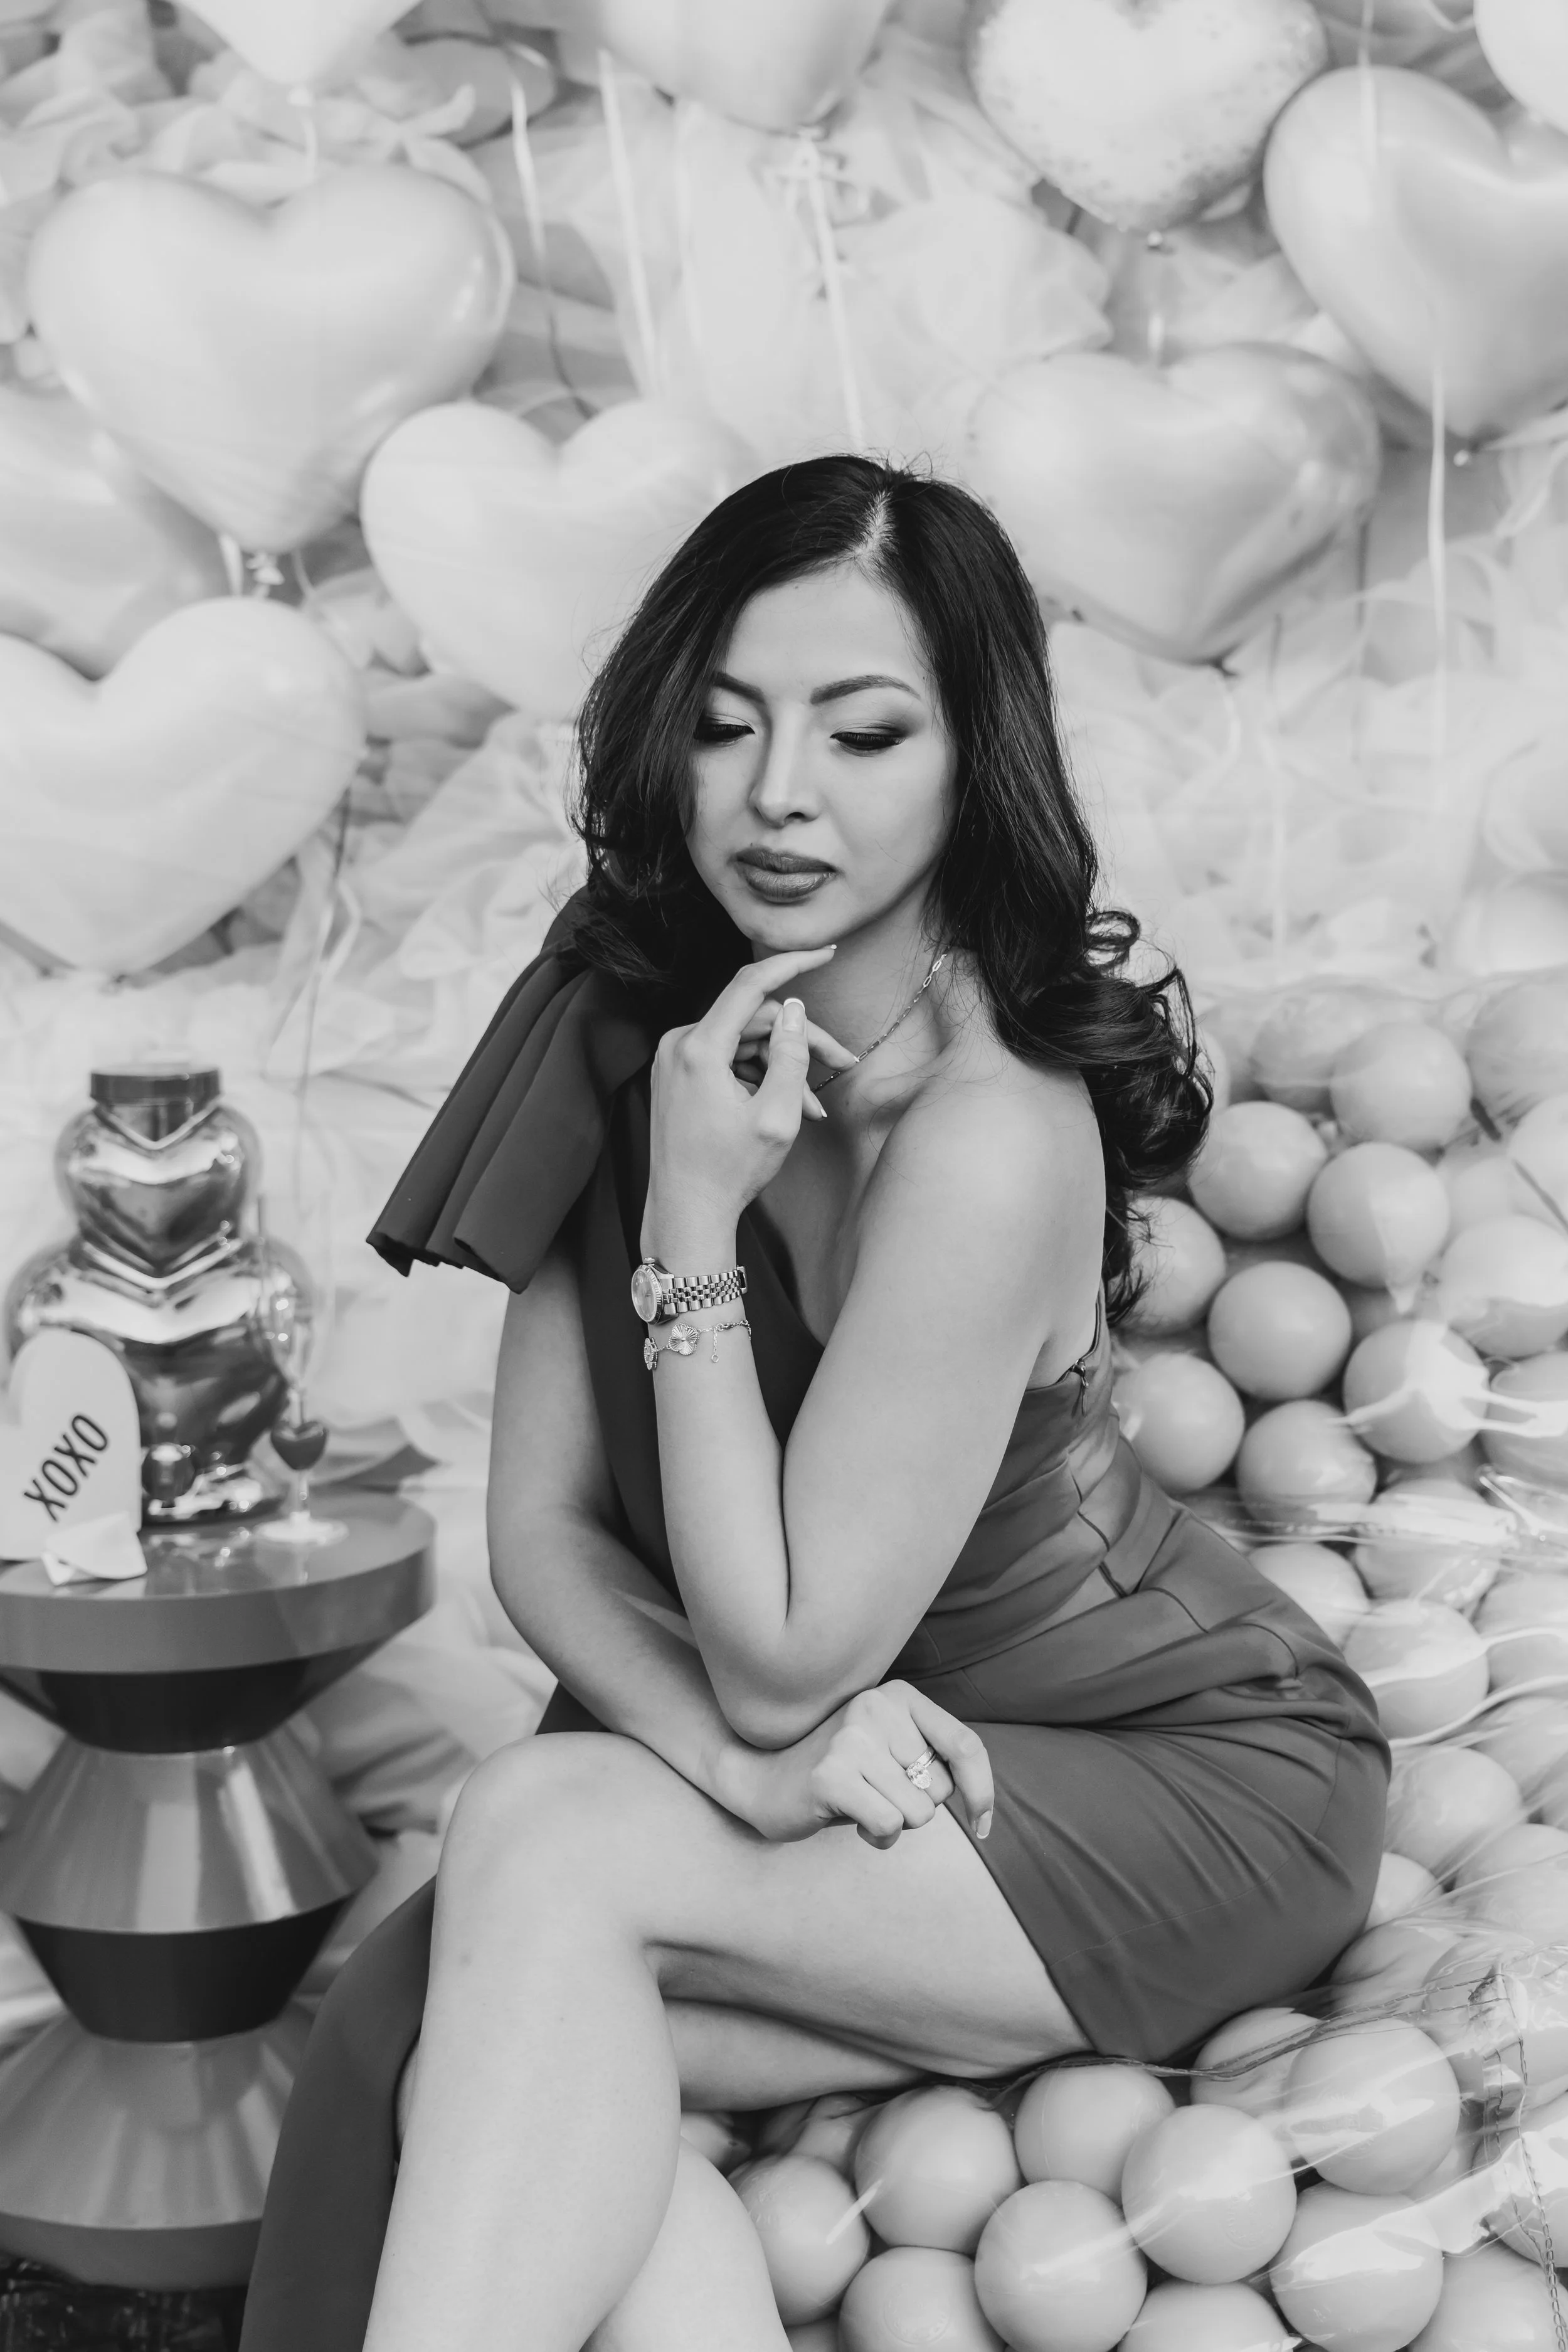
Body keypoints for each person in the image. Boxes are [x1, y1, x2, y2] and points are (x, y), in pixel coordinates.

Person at [238, 457, 1387, 2352]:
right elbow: (541, 1536)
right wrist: (739, 1765)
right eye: (723, 724)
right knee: (474, 2021)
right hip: (880, 1772)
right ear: (660, 742)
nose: (780, 794)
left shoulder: (991, 1136)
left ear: (970, 763)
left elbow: (781, 1660)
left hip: (1172, 1778)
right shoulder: (626, 1024)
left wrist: (692, 1220)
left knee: (540, 1862)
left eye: (864, 732)